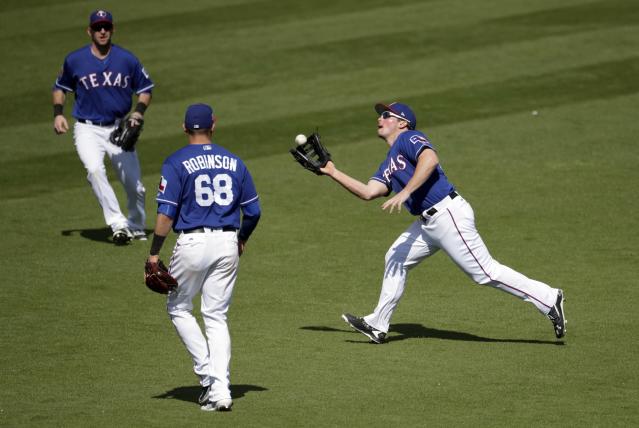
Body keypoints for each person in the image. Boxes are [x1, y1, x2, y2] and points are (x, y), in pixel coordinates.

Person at [320, 102, 566, 343]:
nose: (379, 119)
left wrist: (405, 193)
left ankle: (548, 298)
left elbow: (430, 160)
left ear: (402, 123)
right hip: (428, 224)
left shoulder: (409, 138)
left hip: (448, 214)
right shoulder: (389, 162)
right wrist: (332, 172)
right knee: (395, 258)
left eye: (386, 115)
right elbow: (368, 192)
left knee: (484, 272)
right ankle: (377, 324)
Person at [147, 103, 261, 411]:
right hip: (227, 241)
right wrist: (242, 239)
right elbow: (253, 211)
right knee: (216, 315)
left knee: (179, 308)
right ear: (214, 125)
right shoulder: (235, 162)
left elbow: (166, 213)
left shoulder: (176, 162)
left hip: (193, 242)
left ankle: (209, 379)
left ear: (184, 129)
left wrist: (154, 253)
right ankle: (222, 390)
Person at [52, 9, 154, 244]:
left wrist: (138, 112)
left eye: (106, 27)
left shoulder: (127, 59)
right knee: (95, 170)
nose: (102, 31)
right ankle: (118, 224)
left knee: (135, 186)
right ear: (89, 31)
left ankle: (136, 224)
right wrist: (58, 114)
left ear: (112, 29)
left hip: (118, 128)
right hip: (87, 129)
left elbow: (145, 89)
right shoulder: (75, 60)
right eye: (98, 27)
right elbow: (60, 88)